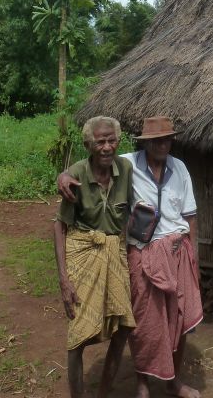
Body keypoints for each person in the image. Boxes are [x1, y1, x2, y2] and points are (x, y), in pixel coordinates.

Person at [58, 115, 203, 398]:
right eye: (155, 140)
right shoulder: (128, 164)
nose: (162, 145)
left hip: (178, 252)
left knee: (179, 320)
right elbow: (91, 161)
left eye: (166, 139)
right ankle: (142, 384)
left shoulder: (179, 168)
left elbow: (191, 217)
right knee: (145, 324)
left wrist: (194, 259)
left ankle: (173, 382)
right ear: (144, 143)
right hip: (143, 253)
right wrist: (62, 176)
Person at [53, 116, 136, 398]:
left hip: (114, 251)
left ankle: (103, 393)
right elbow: (59, 226)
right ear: (89, 145)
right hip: (83, 252)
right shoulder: (76, 173)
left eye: (112, 140)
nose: (107, 147)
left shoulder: (125, 169)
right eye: (100, 142)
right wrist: (64, 279)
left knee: (123, 327)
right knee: (78, 332)